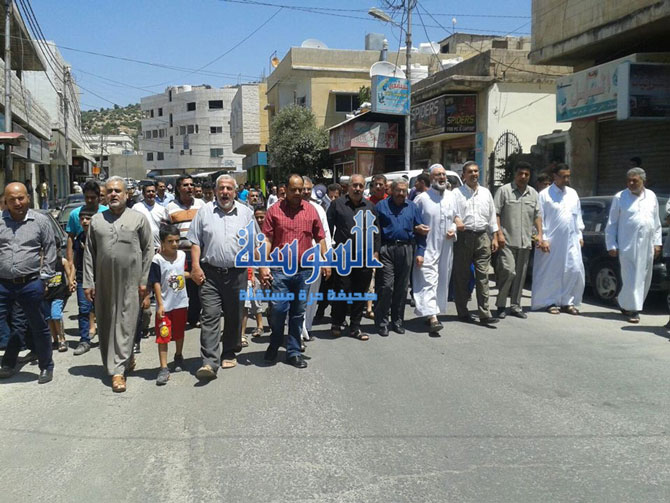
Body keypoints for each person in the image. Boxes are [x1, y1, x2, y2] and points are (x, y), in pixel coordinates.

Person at [83, 176, 154, 393]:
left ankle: (118, 370)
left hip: (131, 280)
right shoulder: (97, 221)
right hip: (104, 281)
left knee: (126, 322)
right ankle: (122, 359)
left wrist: (144, 281)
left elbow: (148, 250)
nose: (113, 194)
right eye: (110, 191)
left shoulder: (138, 219)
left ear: (126, 194)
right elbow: (89, 253)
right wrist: (88, 282)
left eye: (118, 191)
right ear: (104, 195)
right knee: (106, 322)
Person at [188, 174, 257, 380]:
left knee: (234, 315)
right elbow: (195, 241)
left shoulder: (246, 213)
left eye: (229, 188)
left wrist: (259, 268)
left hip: (237, 274)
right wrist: (195, 267)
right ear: (216, 191)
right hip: (210, 274)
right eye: (221, 188)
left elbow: (255, 243)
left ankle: (229, 352)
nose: (225, 192)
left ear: (235, 192)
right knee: (209, 315)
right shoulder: (204, 212)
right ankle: (209, 362)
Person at [260, 174, 329, 368]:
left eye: (301, 189)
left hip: (304, 270)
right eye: (294, 189)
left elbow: (320, 237)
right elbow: (267, 239)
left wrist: (326, 260)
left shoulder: (311, 210)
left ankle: (293, 351)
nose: (298, 193)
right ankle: (275, 342)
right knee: (279, 309)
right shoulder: (274, 211)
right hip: (280, 270)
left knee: (298, 312)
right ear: (286, 189)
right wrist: (263, 265)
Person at [0, 182, 57, 384]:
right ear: (5, 201)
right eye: (12, 199)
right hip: (3, 284)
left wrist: (45, 277)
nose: (17, 203)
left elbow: (50, 248)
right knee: (11, 325)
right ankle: (8, 362)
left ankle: (46, 366)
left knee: (38, 326)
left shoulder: (40, 221)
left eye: (21, 198)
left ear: (28, 198)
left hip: (30, 283)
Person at [605, 168, 662, 323]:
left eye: (634, 180)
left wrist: (657, 243)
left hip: (647, 244)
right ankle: (633, 310)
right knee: (630, 277)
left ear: (643, 181)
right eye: (628, 180)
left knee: (644, 277)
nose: (630, 183)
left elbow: (656, 222)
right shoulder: (620, 197)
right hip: (627, 244)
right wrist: (611, 244)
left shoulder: (651, 196)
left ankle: (624, 302)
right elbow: (612, 223)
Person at [327, 174, 379, 340]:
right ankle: (337, 322)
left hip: (364, 257)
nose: (357, 189)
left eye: (361, 186)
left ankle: (355, 327)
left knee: (360, 293)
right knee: (341, 290)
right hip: (343, 257)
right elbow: (327, 229)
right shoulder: (337, 205)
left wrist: (375, 253)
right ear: (348, 187)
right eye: (354, 185)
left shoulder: (370, 207)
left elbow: (376, 232)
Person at [412, 164, 462, 333]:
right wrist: (417, 228)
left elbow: (456, 218)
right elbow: (412, 221)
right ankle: (432, 317)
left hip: (446, 247)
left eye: (443, 174)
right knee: (428, 280)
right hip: (427, 247)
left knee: (441, 279)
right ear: (431, 178)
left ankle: (432, 312)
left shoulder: (452, 197)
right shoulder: (422, 199)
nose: (441, 177)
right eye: (438, 175)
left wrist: (454, 228)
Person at [374, 179, 426, 336]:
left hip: (406, 249)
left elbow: (421, 230)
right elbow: (375, 231)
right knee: (386, 286)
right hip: (386, 249)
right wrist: (375, 252)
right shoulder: (381, 206)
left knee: (402, 288)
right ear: (391, 191)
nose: (401, 193)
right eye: (398, 190)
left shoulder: (412, 207)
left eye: (404, 191)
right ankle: (382, 322)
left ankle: (397, 321)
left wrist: (420, 252)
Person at [531, 163, 585, 314]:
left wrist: (580, 234)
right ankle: (549, 302)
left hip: (571, 240)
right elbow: (538, 217)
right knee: (551, 272)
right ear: (555, 176)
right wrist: (542, 238)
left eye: (568, 176)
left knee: (573, 269)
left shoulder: (573, 193)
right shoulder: (544, 195)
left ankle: (567, 302)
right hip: (551, 240)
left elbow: (578, 216)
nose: (566, 179)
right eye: (563, 176)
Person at [452, 161, 500, 325]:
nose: (474, 174)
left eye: (476, 171)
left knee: (483, 276)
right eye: (470, 172)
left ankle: (484, 313)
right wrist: (456, 221)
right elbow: (451, 213)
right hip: (463, 238)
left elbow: (492, 216)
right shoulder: (456, 193)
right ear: (464, 175)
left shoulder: (486, 193)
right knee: (462, 276)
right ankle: (462, 311)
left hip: (482, 237)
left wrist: (494, 236)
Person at [493, 162, 542, 319]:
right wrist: (498, 234)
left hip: (525, 242)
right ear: (515, 174)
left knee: (520, 276)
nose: (523, 177)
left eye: (526, 174)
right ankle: (501, 305)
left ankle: (515, 305)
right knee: (509, 272)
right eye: (520, 173)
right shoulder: (504, 191)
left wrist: (540, 234)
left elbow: (537, 215)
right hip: (506, 240)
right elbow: (496, 214)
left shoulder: (533, 194)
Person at [150, 225, 189, 385]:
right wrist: (160, 304)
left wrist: (194, 275)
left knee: (179, 333)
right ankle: (164, 368)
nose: (174, 244)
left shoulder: (182, 256)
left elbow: (182, 273)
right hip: (165, 305)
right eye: (170, 241)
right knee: (163, 335)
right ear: (162, 242)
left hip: (181, 303)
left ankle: (178, 356)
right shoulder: (157, 260)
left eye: (177, 241)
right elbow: (156, 282)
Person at [167, 176, 205, 328]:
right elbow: (166, 232)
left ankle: (194, 317)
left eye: (191, 184)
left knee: (198, 287)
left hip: (199, 254)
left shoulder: (201, 205)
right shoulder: (170, 208)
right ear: (178, 188)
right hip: (179, 256)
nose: (190, 187)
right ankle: (178, 318)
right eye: (185, 185)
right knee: (179, 287)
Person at [300, 176, 332, 345]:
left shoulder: (318, 209)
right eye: (302, 188)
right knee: (298, 297)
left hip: (316, 258)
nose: (305, 192)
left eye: (308, 189)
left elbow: (325, 235)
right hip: (295, 260)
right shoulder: (287, 208)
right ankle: (297, 332)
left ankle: (307, 328)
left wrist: (327, 260)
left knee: (312, 296)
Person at [66, 180, 108, 266]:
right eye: (87, 197)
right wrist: (70, 261)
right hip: (82, 260)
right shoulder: (75, 214)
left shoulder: (107, 213)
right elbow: (71, 237)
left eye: (92, 197)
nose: (89, 200)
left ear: (98, 197)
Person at [72, 208, 97, 355]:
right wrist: (72, 278)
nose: (85, 221)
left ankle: (108, 340)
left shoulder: (100, 237)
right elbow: (75, 260)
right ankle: (84, 340)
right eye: (82, 219)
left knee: (104, 310)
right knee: (83, 309)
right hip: (83, 278)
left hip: (100, 277)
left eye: (88, 218)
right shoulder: (79, 238)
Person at [241, 205, 266, 343]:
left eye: (262, 217)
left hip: (264, 269)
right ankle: (241, 334)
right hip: (249, 270)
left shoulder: (269, 232)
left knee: (259, 300)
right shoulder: (247, 232)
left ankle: (261, 325)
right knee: (247, 301)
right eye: (257, 218)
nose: (260, 220)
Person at [43, 250, 75, 352]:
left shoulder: (62, 261)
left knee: (56, 315)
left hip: (58, 293)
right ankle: (55, 340)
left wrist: (71, 283)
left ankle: (62, 339)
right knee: (49, 318)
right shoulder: (43, 262)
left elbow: (69, 274)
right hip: (46, 295)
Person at [133, 182, 171, 251]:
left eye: (153, 191)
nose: (151, 193)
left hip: (158, 248)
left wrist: (164, 245)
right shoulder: (136, 208)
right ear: (143, 194)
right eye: (148, 191)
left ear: (156, 193)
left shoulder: (162, 209)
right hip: (141, 248)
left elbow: (166, 230)